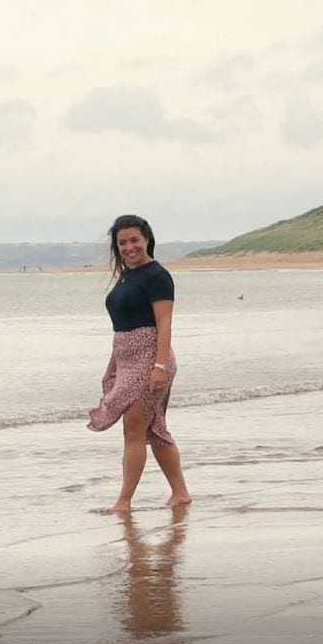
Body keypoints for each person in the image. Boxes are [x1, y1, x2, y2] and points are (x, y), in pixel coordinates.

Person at [88, 215, 192, 512]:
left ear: (147, 239)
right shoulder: (125, 276)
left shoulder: (156, 275)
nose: (129, 247)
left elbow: (164, 324)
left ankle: (124, 501)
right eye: (122, 242)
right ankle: (181, 493)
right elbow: (123, 327)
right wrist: (113, 365)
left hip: (150, 359)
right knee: (154, 428)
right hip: (127, 359)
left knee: (133, 430)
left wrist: (159, 367)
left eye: (135, 240)